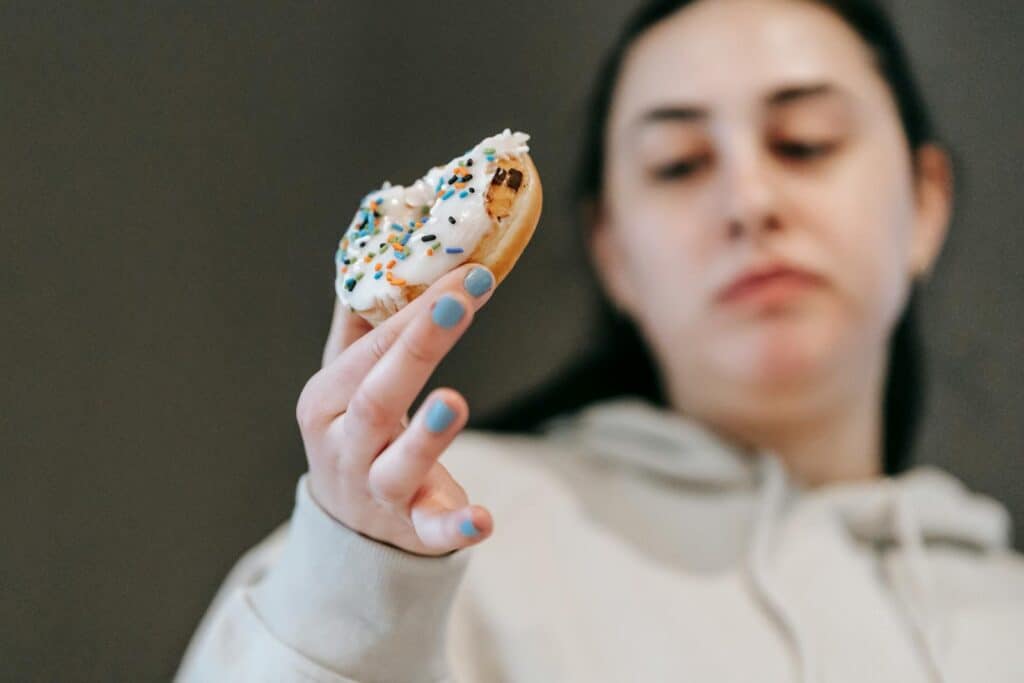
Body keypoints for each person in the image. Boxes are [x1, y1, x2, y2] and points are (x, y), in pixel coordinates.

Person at [176, 0, 1024, 681]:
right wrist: (349, 594)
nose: (749, 201)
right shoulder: (440, 531)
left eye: (805, 143)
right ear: (612, 252)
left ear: (927, 201)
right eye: (679, 163)